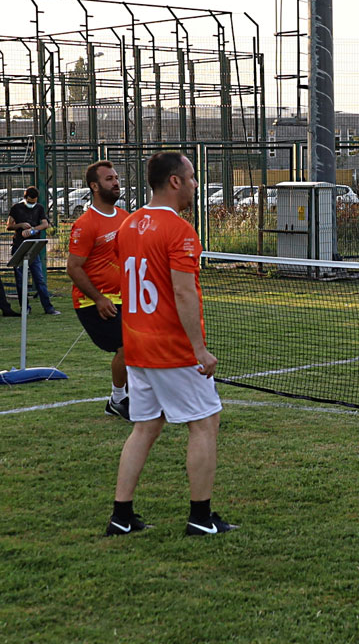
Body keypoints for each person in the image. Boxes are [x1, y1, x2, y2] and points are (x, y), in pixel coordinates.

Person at [106, 152, 236, 537]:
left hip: (138, 347)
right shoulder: (179, 231)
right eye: (193, 177)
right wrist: (199, 350)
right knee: (205, 422)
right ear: (175, 182)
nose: (196, 184)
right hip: (172, 350)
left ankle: (121, 515)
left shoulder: (128, 225)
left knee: (144, 427)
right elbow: (182, 293)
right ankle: (200, 517)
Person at [67, 161, 130, 420]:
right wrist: (98, 297)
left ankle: (127, 398)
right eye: (108, 179)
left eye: (116, 177)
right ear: (94, 186)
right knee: (127, 346)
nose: (115, 182)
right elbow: (73, 267)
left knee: (144, 345)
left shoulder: (125, 217)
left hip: (125, 299)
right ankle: (118, 400)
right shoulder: (85, 224)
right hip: (92, 303)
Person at [6, 186, 60, 315]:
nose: (32, 204)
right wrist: (20, 225)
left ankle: (48, 307)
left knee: (39, 278)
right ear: (25, 198)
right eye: (30, 201)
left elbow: (45, 224)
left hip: (33, 247)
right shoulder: (16, 208)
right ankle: (25, 308)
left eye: (34, 201)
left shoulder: (39, 208)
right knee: (20, 280)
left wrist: (33, 230)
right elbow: (9, 226)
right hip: (19, 245)